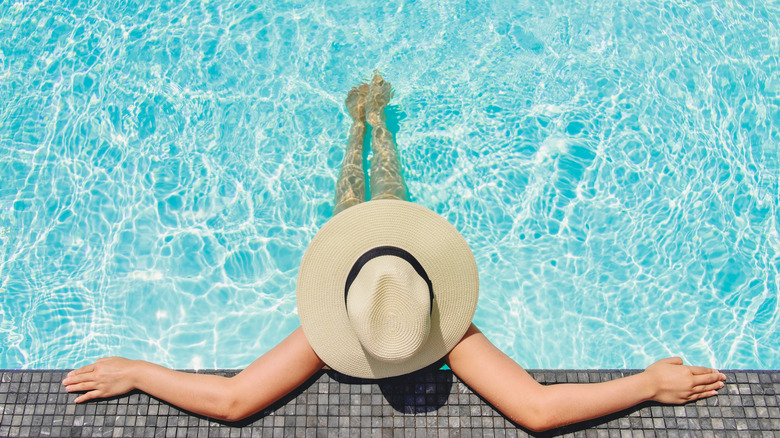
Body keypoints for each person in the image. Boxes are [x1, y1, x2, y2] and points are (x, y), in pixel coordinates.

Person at [62, 73, 727, 432]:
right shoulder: (445, 330)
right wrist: (646, 383)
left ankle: (370, 127)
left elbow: (236, 402)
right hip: (390, 254)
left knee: (365, 196)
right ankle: (365, 127)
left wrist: (144, 371)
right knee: (372, 192)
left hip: (370, 256)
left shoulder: (338, 332)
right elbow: (536, 410)